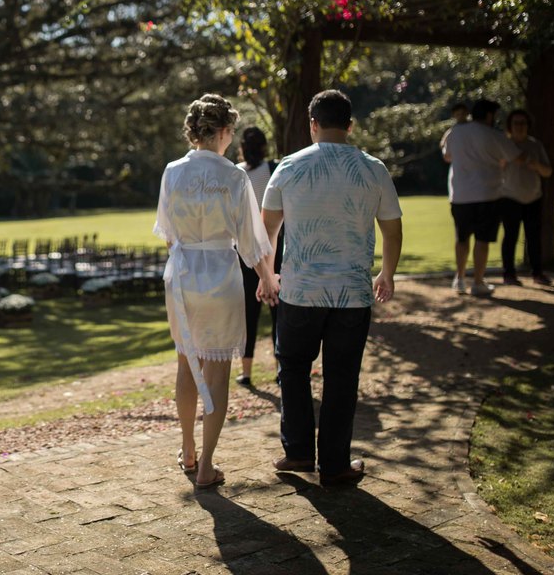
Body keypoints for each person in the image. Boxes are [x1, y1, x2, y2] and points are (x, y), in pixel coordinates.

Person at [260, 89, 402, 488]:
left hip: (300, 291)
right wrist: (387, 273)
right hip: (352, 294)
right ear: (350, 126)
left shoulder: (289, 166)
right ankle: (335, 464)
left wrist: (267, 275)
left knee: (293, 369)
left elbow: (267, 229)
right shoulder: (373, 168)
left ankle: (299, 452)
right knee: (342, 377)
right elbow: (392, 229)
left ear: (313, 125)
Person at [155, 94, 278, 490]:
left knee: (186, 362)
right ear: (225, 131)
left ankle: (188, 447)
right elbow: (251, 241)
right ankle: (206, 462)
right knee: (218, 370)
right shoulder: (234, 176)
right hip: (222, 276)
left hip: (183, 276)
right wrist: (267, 277)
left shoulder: (172, 171)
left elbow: (168, 234)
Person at [442, 98, 521, 296]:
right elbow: (516, 156)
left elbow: (447, 156)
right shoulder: (494, 134)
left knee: (461, 238)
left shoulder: (455, 132)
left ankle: (459, 279)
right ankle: (478, 281)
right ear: (489, 115)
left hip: (460, 194)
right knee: (482, 239)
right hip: (488, 193)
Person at [235, 126, 282, 388]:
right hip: (275, 244)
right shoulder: (274, 169)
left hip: (245, 249)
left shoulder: (236, 172)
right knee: (278, 310)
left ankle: (247, 371)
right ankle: (279, 368)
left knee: (248, 313)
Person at [500, 109, 553, 286]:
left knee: (534, 237)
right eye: (516, 123)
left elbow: (548, 172)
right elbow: (494, 169)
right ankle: (509, 274)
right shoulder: (504, 146)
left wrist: (536, 165)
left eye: (523, 123)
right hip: (510, 197)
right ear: (510, 126)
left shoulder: (535, 145)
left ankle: (537, 273)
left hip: (533, 198)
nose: (520, 127)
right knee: (510, 237)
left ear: (528, 126)